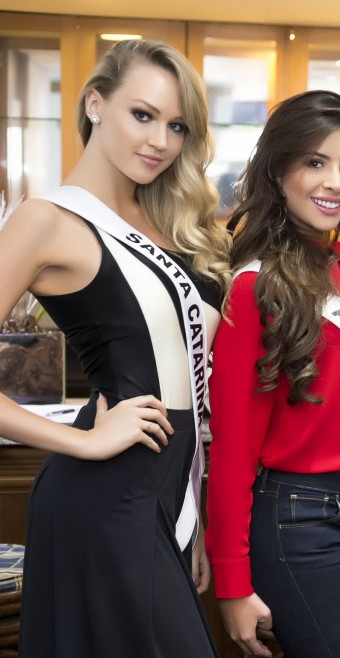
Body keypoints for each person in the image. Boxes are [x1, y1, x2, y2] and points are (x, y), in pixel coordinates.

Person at [0, 39, 231, 656]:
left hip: (170, 492)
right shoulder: (46, 219)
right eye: (143, 115)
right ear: (95, 104)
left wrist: (197, 519)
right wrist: (85, 440)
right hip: (105, 498)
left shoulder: (173, 224)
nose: (160, 140)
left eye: (177, 125)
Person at [204, 90, 340, 658]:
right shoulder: (255, 286)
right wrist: (233, 582)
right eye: (314, 162)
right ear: (278, 172)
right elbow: (234, 447)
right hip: (299, 522)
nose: (334, 182)